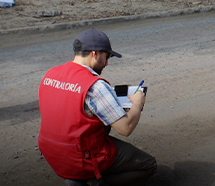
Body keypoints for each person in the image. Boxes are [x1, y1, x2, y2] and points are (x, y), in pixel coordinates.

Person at [38, 29, 157, 186]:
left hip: (51, 150)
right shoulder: (95, 86)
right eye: (106, 57)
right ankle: (94, 180)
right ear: (95, 54)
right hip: (80, 155)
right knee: (149, 165)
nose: (107, 63)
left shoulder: (50, 74)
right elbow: (125, 128)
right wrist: (137, 103)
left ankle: (76, 177)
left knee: (103, 125)